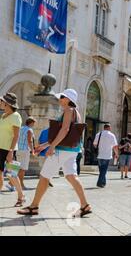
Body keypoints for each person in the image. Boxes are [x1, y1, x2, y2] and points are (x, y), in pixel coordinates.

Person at [18, 89, 91, 217]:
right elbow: (66, 135)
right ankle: (85, 205)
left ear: (69, 99)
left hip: (62, 151)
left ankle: (34, 206)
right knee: (71, 176)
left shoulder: (68, 110)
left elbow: (64, 130)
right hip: (72, 150)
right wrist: (45, 145)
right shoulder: (76, 112)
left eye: (62, 97)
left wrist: (52, 146)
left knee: (45, 176)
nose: (60, 99)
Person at [0, 93, 25, 207]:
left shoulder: (16, 116)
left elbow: (16, 136)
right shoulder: (3, 115)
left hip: (8, 149)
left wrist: (10, 151)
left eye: (1, 101)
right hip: (0, 148)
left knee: (12, 175)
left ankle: (21, 196)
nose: (0, 103)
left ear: (7, 104)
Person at [93, 124, 118, 188]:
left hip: (100, 154)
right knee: (104, 170)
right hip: (107, 155)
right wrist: (116, 154)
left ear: (104, 128)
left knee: (101, 170)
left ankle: (103, 183)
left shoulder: (98, 134)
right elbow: (115, 146)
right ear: (109, 128)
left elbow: (95, 144)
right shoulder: (112, 135)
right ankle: (99, 183)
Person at [16, 117, 36, 189]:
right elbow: (30, 141)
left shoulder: (21, 128)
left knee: (19, 168)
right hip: (24, 151)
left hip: (18, 150)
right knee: (23, 169)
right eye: (33, 123)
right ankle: (20, 184)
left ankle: (13, 184)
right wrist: (33, 150)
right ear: (31, 123)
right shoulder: (29, 130)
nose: (34, 125)